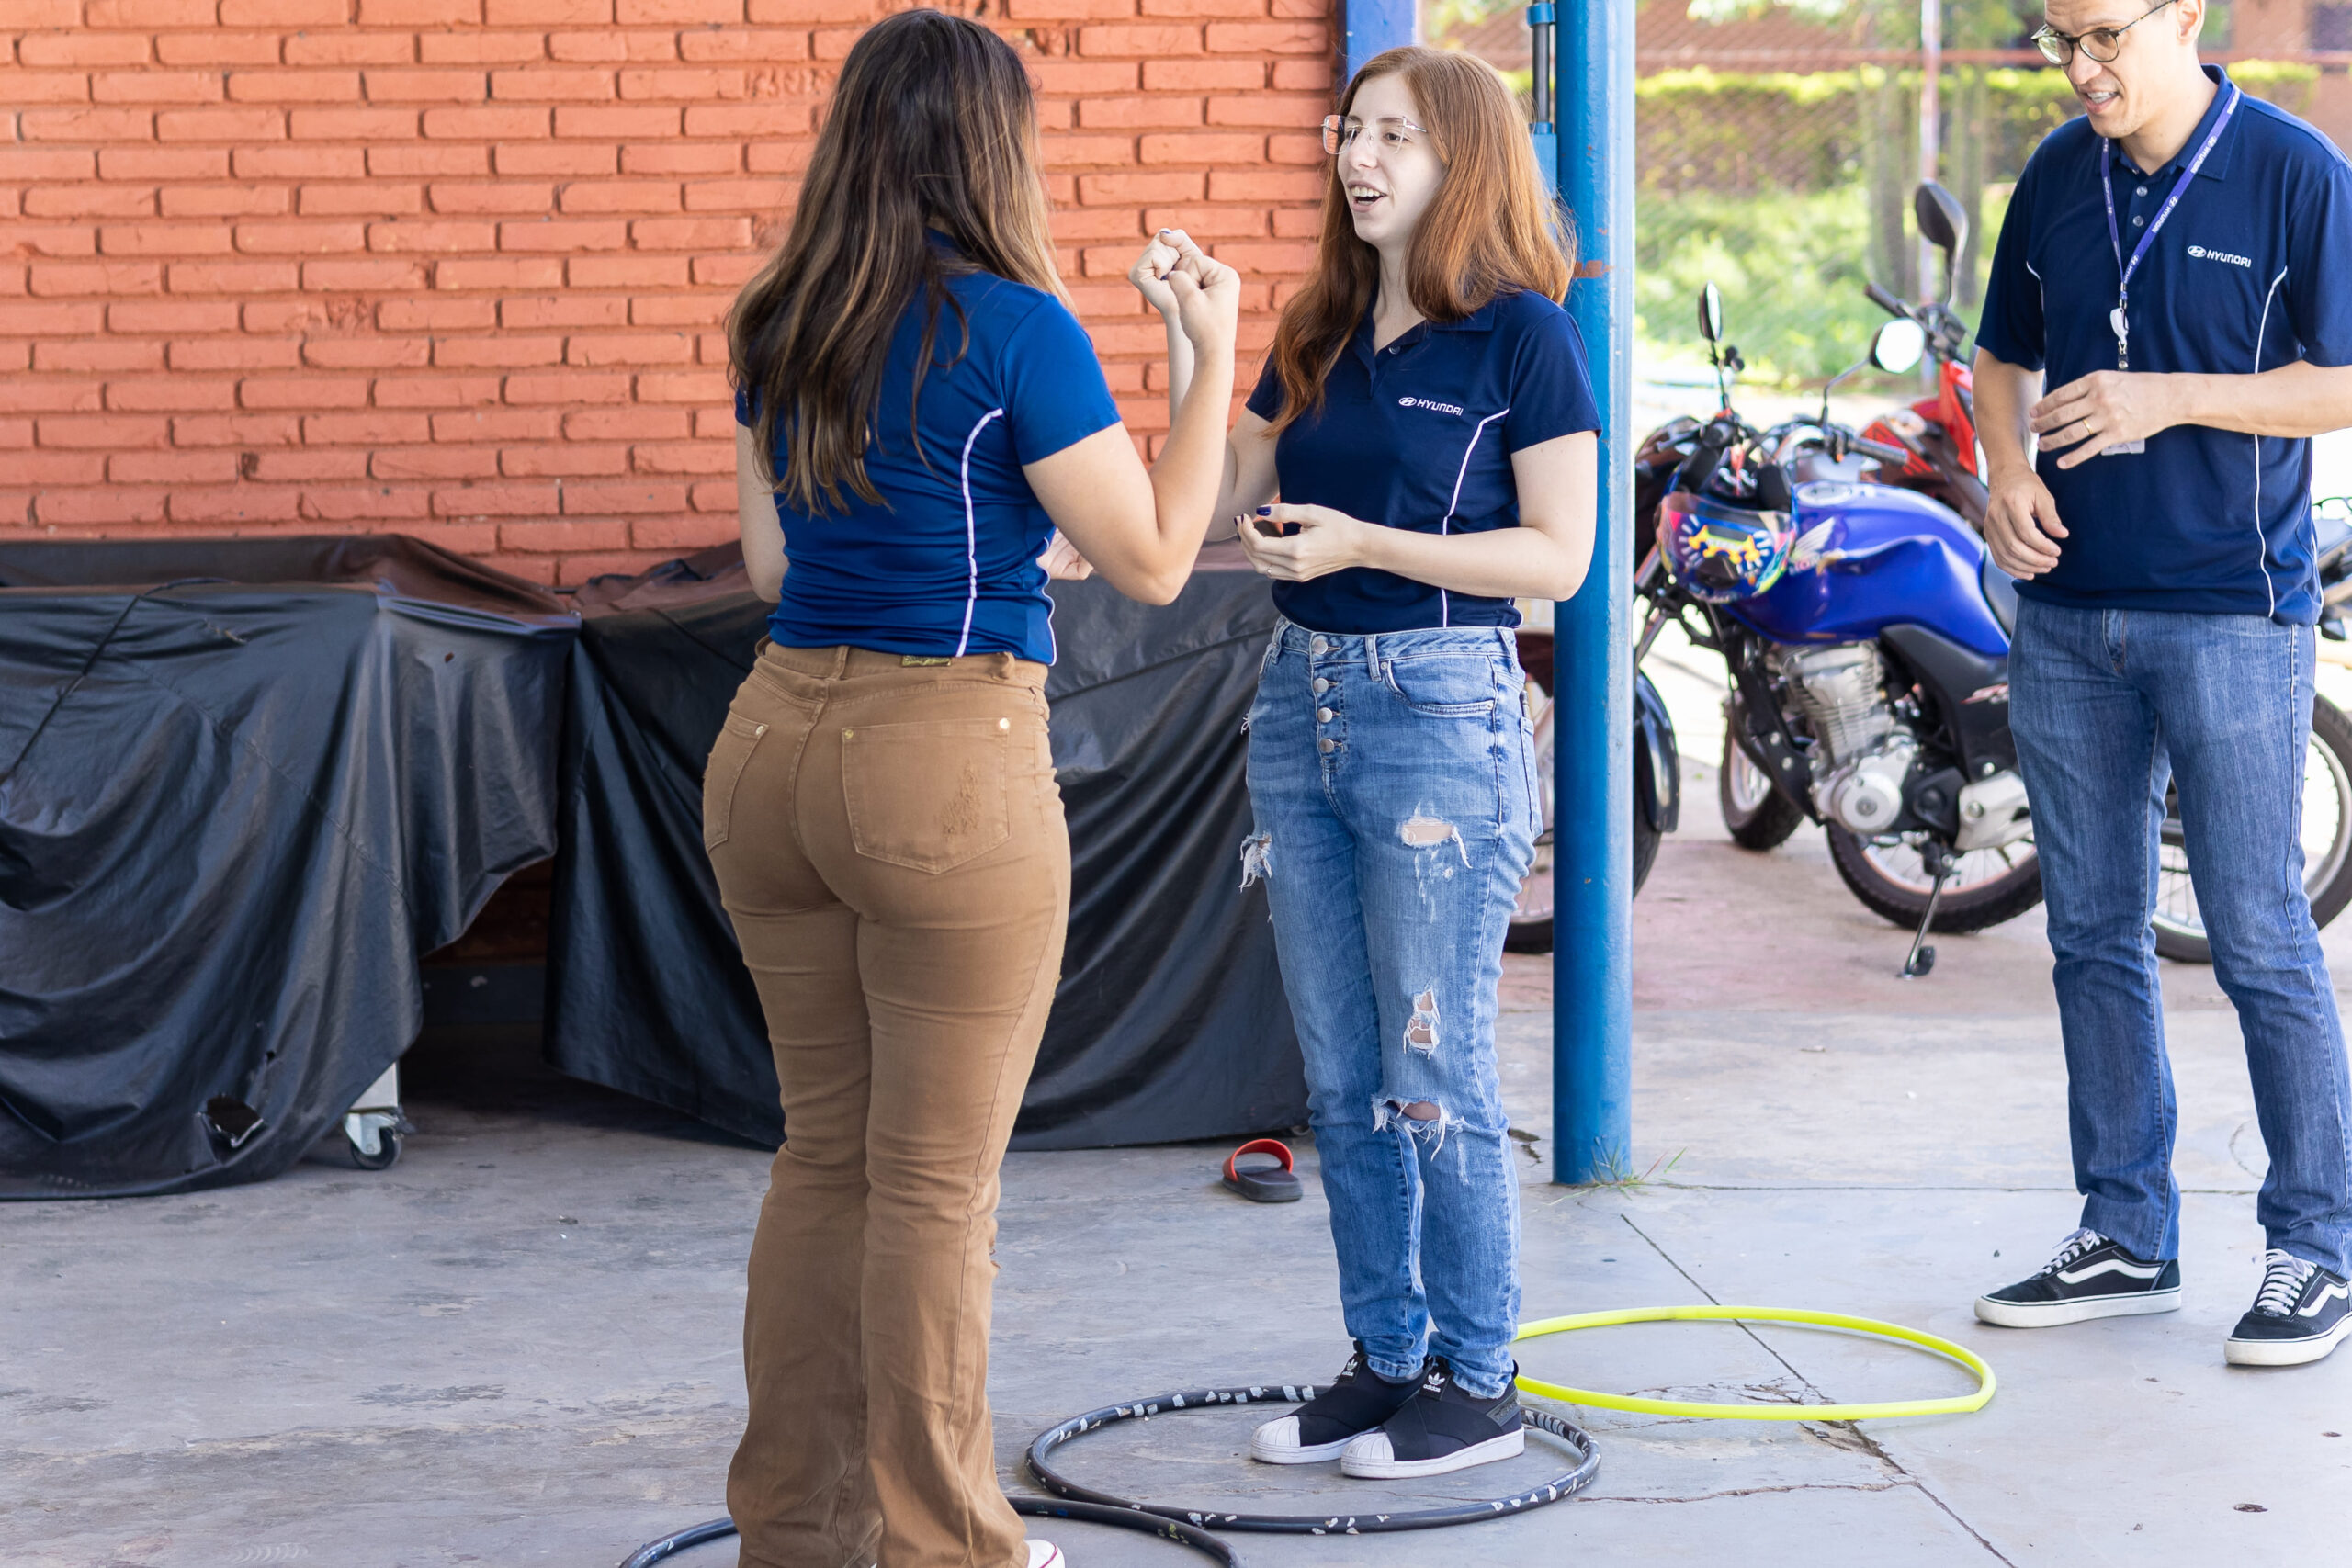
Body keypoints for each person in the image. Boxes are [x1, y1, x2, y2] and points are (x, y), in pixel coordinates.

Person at [707, 12, 1239, 1566]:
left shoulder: (778, 317)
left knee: (825, 1159)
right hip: (942, 766)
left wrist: (1002, 543)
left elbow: (773, 566)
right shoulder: (1016, 326)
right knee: (933, 1191)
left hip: (770, 749)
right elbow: (1151, 556)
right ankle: (953, 1548)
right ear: (992, 148)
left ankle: (797, 1538)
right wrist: (1203, 362)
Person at [1147, 45, 1599, 1476]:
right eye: (1354, 133)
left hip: (1440, 706)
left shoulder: (1524, 336)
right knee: (1341, 1075)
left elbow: (1562, 559)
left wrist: (1364, 546)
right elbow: (1215, 496)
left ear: (1461, 159)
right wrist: (1196, 344)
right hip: (1301, 701)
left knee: (1433, 1066)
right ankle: (1386, 1359)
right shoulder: (1322, 326)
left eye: (1395, 137)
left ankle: (1478, 1377)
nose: (1359, 158)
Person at [1969, 0, 2352, 1365]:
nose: (2080, 67)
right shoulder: (2058, 175)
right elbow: (1999, 354)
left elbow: (2343, 383)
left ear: (2187, 15)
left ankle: (2318, 1247)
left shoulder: (2296, 171)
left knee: (2259, 940)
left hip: (2233, 619)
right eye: (2057, 36)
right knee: (2091, 938)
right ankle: (2128, 1231)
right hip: (2068, 617)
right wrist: (2004, 472)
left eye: (2105, 35)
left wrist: (2166, 396)